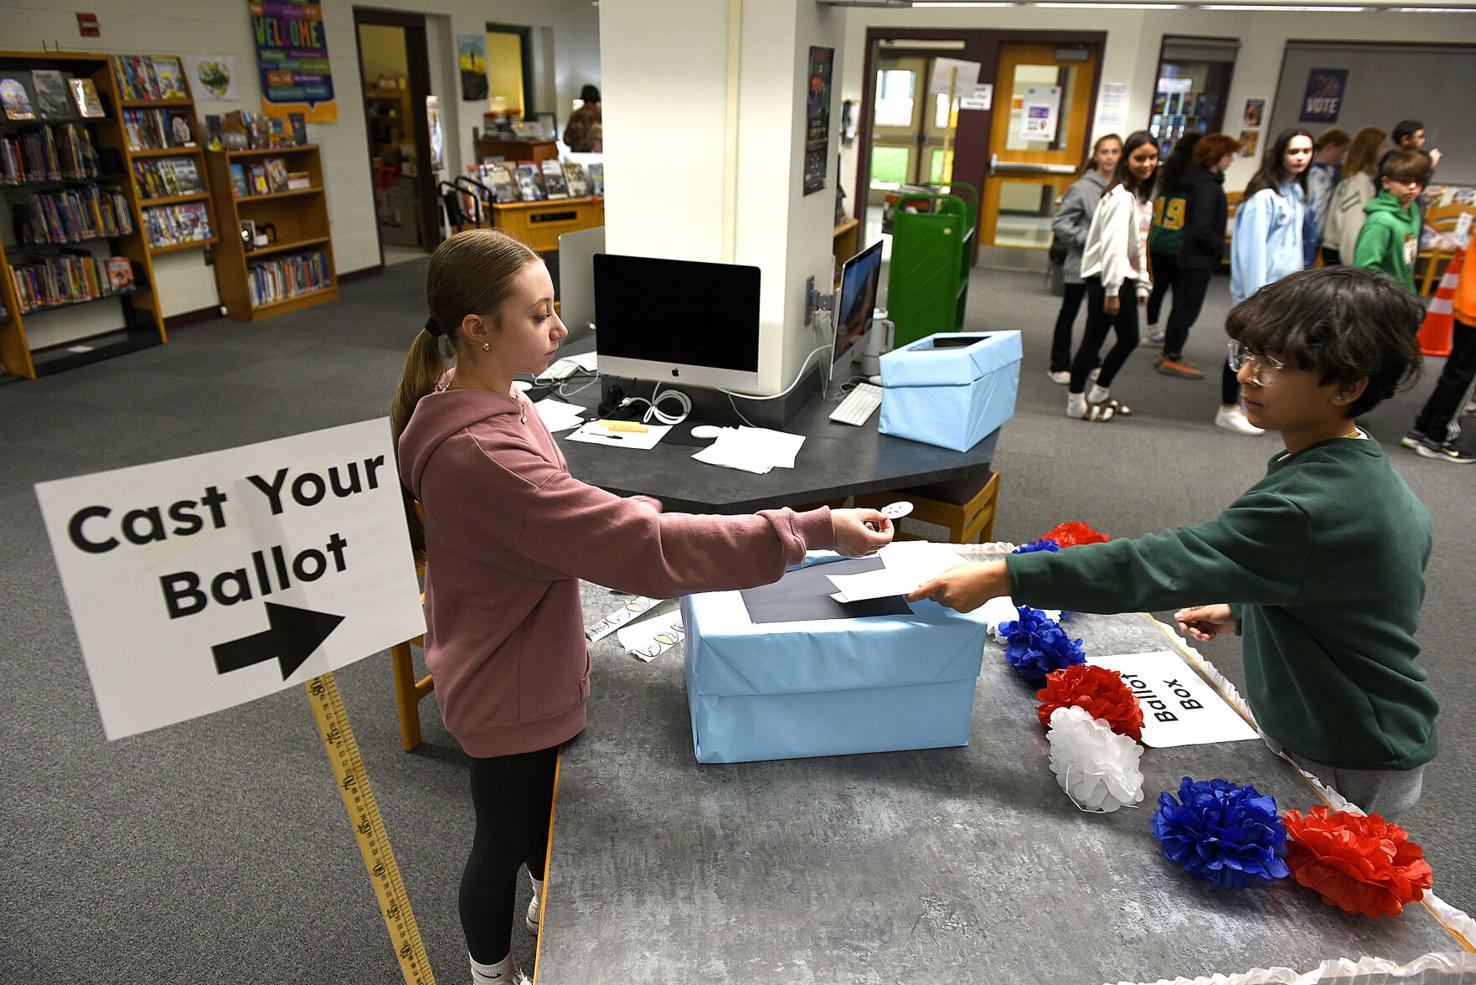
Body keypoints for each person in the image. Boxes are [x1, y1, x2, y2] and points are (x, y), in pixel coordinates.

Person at [391, 230, 893, 985]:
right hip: (509, 690)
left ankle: (538, 902)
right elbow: (640, 545)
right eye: (539, 315)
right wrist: (809, 528)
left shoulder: (483, 399)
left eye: (554, 308)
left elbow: (573, 524)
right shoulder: (486, 453)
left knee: (536, 821)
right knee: (502, 837)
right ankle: (489, 973)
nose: (559, 330)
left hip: (512, 658)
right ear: (478, 329)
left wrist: (614, 524)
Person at [910, 267, 1434, 821]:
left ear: (1349, 386)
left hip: (1345, 745)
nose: (1249, 376)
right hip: (1352, 726)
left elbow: (1158, 564)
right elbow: (1353, 590)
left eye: (1276, 364)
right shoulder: (1356, 471)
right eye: (1247, 354)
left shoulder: (1310, 504)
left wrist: (1003, 576)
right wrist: (1251, 607)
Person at [1222, 127, 1313, 435]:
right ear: (1280, 154)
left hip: (1287, 289)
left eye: (1305, 151)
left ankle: (1259, 406)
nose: (1300, 157)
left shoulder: (1296, 191)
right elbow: (1252, 251)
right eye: (1293, 151)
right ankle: (1228, 408)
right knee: (1243, 349)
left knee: (1271, 352)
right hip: (1261, 292)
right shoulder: (1263, 197)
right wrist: (1256, 297)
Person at [1066, 130, 1159, 422]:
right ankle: (1076, 402)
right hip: (1109, 279)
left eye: (1152, 157)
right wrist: (1112, 291)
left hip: (1125, 278)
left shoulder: (1141, 197)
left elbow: (1140, 243)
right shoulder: (1121, 198)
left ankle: (1098, 393)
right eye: (1139, 158)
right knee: (1094, 340)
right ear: (1126, 160)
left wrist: (1142, 282)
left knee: (1129, 338)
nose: (1146, 164)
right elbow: (1114, 248)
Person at [1155, 133, 1241, 380]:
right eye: (1228, 155)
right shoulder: (1207, 187)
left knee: (1182, 307)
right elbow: (1201, 227)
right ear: (1216, 156)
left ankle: (1170, 352)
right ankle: (1172, 355)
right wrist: (1218, 248)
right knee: (1186, 310)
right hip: (1197, 258)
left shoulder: (1201, 182)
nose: (1231, 160)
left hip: (1192, 256)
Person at [1047, 133, 1122, 385]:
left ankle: (1091, 361)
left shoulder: (1123, 188)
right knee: (1069, 311)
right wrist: (1090, 238)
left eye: (1114, 151)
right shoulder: (1081, 188)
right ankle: (1059, 364)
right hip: (1079, 264)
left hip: (1106, 268)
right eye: (1105, 152)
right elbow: (1060, 223)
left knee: (1097, 317)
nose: (1110, 157)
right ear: (1096, 155)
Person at [1403, 234, 1476, 464]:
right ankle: (1439, 438)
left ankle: (1423, 429)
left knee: (1454, 371)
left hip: (1467, 300)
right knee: (1464, 378)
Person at [1141, 132, 1202, 349]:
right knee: (1179, 294)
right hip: (1178, 245)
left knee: (1157, 289)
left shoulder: (1166, 172)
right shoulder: (1195, 178)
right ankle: (1171, 337)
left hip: (1158, 240)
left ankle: (1152, 330)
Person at [1353, 149, 1433, 295]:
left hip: (1405, 294)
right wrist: (1393, 293)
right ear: (1386, 183)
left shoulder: (1413, 212)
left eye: (1418, 182)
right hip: (1385, 300)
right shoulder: (1380, 221)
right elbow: (1364, 268)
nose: (1412, 187)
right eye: (1404, 181)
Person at [1321, 126, 1386, 266]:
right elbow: (1351, 227)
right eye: (1382, 147)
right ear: (1372, 151)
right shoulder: (1357, 184)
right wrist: (1352, 267)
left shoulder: (1357, 180)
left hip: (1338, 251)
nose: (1383, 152)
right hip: (1341, 254)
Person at [1304, 128, 1350, 266]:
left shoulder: (1331, 172)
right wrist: (1312, 238)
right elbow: (1315, 209)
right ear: (1330, 147)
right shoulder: (1316, 175)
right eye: (1342, 150)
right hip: (1311, 234)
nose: (1343, 156)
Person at [562, 84, 602, 153]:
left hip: (578, 156)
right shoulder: (601, 115)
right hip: (597, 156)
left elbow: (567, 139)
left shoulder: (575, 115)